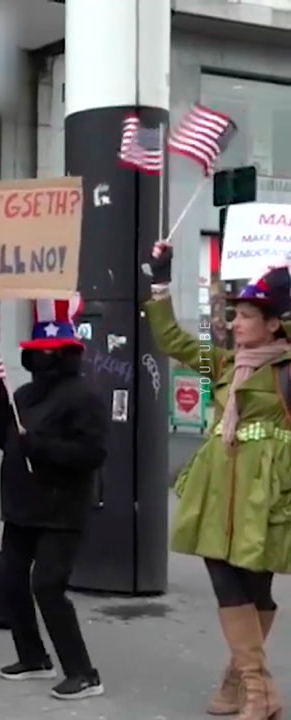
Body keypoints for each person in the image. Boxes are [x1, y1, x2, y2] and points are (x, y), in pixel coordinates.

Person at [146, 243, 291, 719]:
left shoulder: (286, 370)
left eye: (248, 315)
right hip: (219, 486)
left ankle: (240, 681)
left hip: (265, 492)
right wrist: (161, 281)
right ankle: (258, 686)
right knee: (223, 576)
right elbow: (174, 340)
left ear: (275, 322)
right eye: (237, 314)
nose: (236, 323)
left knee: (256, 587)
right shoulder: (224, 362)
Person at [0, 294, 107, 701]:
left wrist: (42, 447)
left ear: (69, 352)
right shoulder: (25, 395)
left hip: (61, 508)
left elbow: (92, 453)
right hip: (21, 506)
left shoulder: (85, 397)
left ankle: (83, 672)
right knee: (10, 578)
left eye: (53, 351)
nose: (45, 358)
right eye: (39, 351)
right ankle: (33, 656)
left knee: (48, 586)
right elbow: (7, 440)